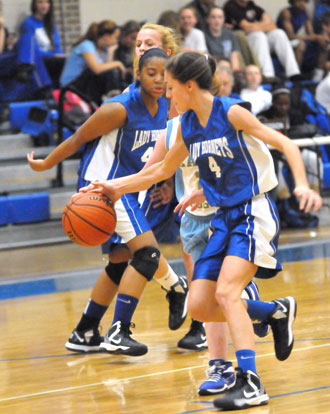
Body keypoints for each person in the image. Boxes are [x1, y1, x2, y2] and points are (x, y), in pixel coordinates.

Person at [80, 51, 322, 409]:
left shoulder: (231, 112)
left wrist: (302, 185)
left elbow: (284, 143)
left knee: (226, 293)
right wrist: (115, 187)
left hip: (252, 211)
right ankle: (274, 312)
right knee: (200, 305)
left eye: (172, 87)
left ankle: (250, 381)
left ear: (190, 86)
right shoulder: (189, 125)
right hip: (223, 216)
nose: (167, 94)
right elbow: (159, 170)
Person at [28, 26, 188, 356]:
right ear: (138, 74)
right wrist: (46, 164)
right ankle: (121, 329)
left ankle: (85, 331)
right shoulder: (119, 107)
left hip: (129, 190)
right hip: (103, 188)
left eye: (163, 75)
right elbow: (77, 139)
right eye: (150, 74)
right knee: (148, 254)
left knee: (119, 262)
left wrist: (167, 181)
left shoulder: (165, 107)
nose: (158, 81)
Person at [224, 0, 300, 80]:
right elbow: (245, 27)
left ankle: (293, 73)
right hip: (243, 43)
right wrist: (264, 25)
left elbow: (273, 25)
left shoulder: (252, 5)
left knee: (279, 33)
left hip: (258, 40)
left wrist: (254, 27)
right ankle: (267, 76)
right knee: (259, 35)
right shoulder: (231, 6)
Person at [59, 20, 126, 105]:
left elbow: (107, 71)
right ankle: (114, 103)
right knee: (96, 72)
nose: (117, 41)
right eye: (116, 37)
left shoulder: (103, 50)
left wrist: (110, 52)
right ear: (106, 36)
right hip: (70, 86)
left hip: (86, 85)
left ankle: (114, 102)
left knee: (111, 74)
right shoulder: (87, 45)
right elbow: (96, 69)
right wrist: (118, 63)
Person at [16, 0, 64, 94]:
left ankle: (65, 93)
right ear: (34, 5)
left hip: (52, 56)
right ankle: (46, 90)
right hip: (40, 57)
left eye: (47, 2)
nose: (44, 5)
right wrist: (52, 54)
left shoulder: (51, 21)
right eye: (40, 2)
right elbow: (31, 49)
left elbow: (56, 44)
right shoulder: (28, 23)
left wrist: (60, 55)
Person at [277, 0, 330, 81]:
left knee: (323, 43)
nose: (302, 4)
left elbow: (311, 33)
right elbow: (290, 36)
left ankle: (317, 77)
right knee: (301, 45)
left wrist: (319, 38)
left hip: (295, 39)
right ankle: (295, 74)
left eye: (304, 1)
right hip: (283, 42)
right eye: (299, 1)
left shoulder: (305, 11)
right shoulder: (286, 13)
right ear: (293, 2)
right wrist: (315, 37)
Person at [204, 6, 241, 71]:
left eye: (220, 17)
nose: (217, 20)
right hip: (211, 68)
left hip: (229, 68)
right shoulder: (203, 35)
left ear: (224, 19)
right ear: (207, 19)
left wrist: (234, 72)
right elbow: (205, 57)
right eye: (213, 17)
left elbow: (234, 56)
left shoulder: (230, 34)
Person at [113, 20, 141, 86]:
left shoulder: (133, 48)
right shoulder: (116, 48)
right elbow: (112, 71)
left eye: (136, 39)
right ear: (124, 35)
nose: (134, 42)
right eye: (132, 38)